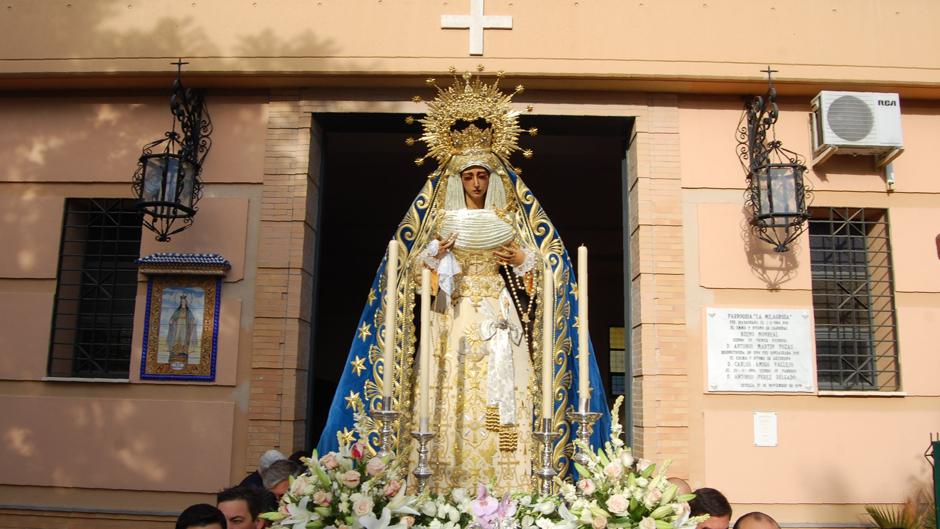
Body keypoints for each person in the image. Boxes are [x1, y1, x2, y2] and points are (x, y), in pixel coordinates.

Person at [316, 68, 612, 492]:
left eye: (482, 175)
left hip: (499, 315)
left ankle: (509, 468)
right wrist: (435, 257)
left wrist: (525, 260)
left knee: (505, 391)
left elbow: (551, 268)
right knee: (446, 388)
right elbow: (408, 270)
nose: (475, 182)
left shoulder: (511, 218)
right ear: (458, 180)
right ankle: (441, 476)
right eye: (468, 176)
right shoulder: (438, 219)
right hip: (451, 315)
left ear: (493, 180)